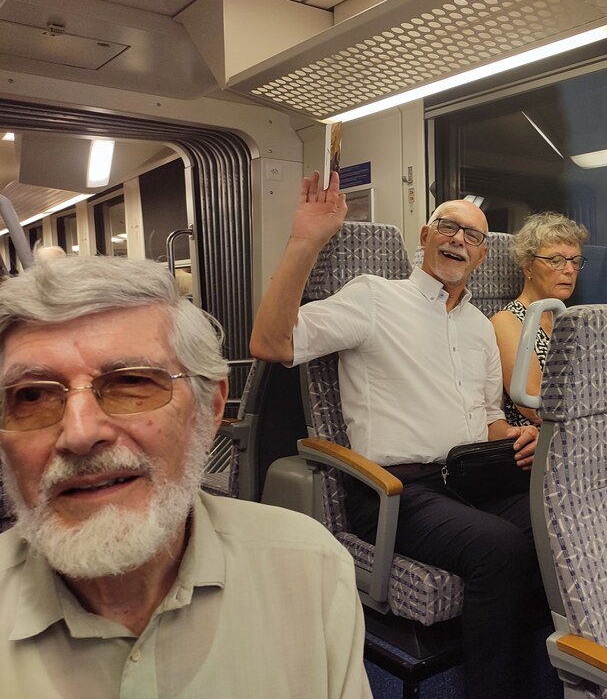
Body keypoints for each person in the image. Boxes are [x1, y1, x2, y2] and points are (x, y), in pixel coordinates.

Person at [0, 257, 370, 698]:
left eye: (132, 382)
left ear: (210, 409)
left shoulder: (314, 574)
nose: (80, 434)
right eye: (32, 396)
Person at [249, 171, 544, 699]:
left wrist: (515, 438)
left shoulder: (478, 326)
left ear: (480, 257)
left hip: (470, 479)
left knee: (553, 519)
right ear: (425, 238)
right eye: (447, 227)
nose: (459, 239)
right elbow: (272, 342)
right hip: (395, 491)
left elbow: (486, 414)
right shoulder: (373, 299)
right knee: (500, 549)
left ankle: (539, 679)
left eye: (472, 236)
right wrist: (305, 242)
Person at [491, 211, 587, 426]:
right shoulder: (508, 321)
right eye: (556, 260)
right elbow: (534, 405)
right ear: (527, 266)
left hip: (575, 430)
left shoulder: (570, 320)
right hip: (536, 440)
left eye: (575, 261)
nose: (570, 270)